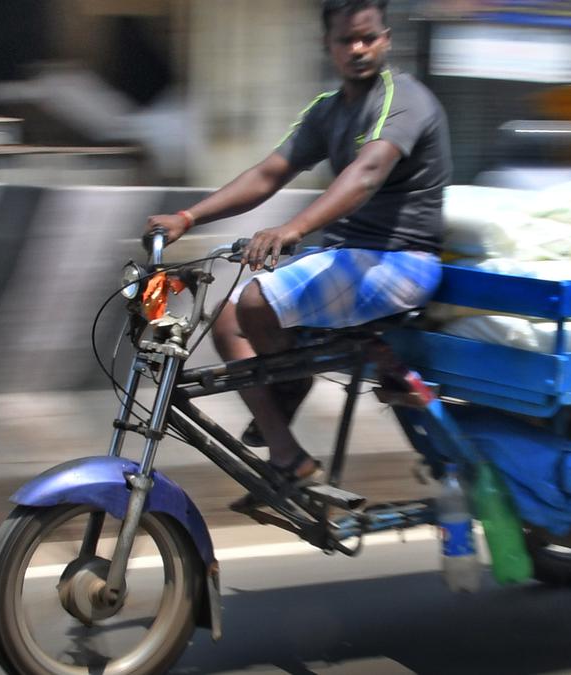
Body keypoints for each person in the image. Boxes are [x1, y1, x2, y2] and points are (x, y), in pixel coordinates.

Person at [143, 0, 451, 489]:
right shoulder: (329, 111)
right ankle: (289, 458)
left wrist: (292, 229)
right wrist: (188, 217)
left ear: (386, 39)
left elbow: (366, 174)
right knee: (224, 319)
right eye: (346, 40)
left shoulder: (402, 98)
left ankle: (290, 381)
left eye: (368, 37)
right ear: (327, 47)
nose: (358, 49)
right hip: (348, 258)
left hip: (400, 262)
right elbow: (268, 174)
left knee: (256, 300)